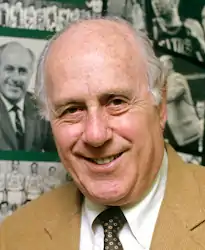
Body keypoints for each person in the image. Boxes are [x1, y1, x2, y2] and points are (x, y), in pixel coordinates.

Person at [1, 16, 205, 250]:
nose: (96, 135)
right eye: (72, 110)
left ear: (159, 108)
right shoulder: (13, 236)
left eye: (117, 102)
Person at [0, 41, 56, 152]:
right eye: (9, 69)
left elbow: (56, 154)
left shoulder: (41, 107)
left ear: (31, 74)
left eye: (22, 71)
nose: (16, 78)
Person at [160, 54, 201, 154]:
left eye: (161, 64)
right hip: (176, 134)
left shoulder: (177, 78)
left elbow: (172, 96)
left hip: (187, 132)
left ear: (170, 65)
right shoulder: (164, 81)